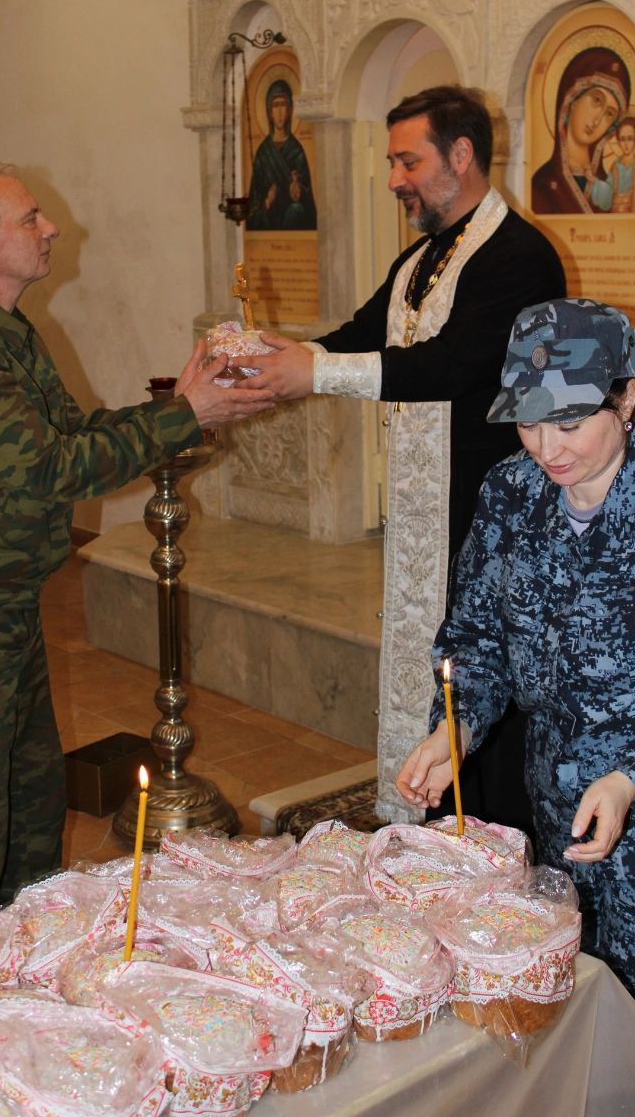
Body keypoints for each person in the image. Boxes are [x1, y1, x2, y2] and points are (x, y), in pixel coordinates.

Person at [0, 162, 272, 909]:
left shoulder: (0, 329)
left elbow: (71, 431)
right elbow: (50, 468)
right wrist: (183, 415)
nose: (51, 227)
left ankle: (29, 940)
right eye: (30, 218)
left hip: (3, 601)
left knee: (33, 800)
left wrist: (181, 407)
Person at [233, 85, 566, 824]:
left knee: (485, 686)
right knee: (431, 669)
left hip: (489, 513)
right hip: (426, 516)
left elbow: (454, 365)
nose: (393, 178)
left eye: (407, 161)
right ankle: (433, 828)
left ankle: (491, 845)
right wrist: (284, 357)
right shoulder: (422, 257)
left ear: (461, 155)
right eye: (391, 162)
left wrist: (315, 373)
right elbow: (364, 334)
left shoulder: (519, 256)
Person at [397, 298, 635, 1080]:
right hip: (556, 814)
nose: (546, 447)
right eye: (529, 422)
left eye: (569, 423)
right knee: (562, 1025)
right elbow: (476, 637)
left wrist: (631, 776)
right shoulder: (511, 494)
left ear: (626, 397)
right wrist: (455, 726)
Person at [531, 46, 630, 215]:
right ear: (573, 98)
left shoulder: (608, 189)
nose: (597, 120)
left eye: (609, 114)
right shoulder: (542, 185)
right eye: (597, 100)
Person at [246, 79, 317, 231]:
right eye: (275, 106)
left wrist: (298, 191)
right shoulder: (263, 153)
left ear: (290, 110)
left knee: (297, 209)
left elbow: (309, 204)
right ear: (269, 112)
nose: (279, 112)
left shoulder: (297, 151)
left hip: (292, 224)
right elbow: (252, 204)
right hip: (268, 224)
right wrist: (267, 201)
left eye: (283, 105)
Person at [606, 115, 635, 213]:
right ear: (618, 142)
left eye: (630, 139)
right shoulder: (614, 167)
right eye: (623, 139)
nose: (626, 144)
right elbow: (607, 198)